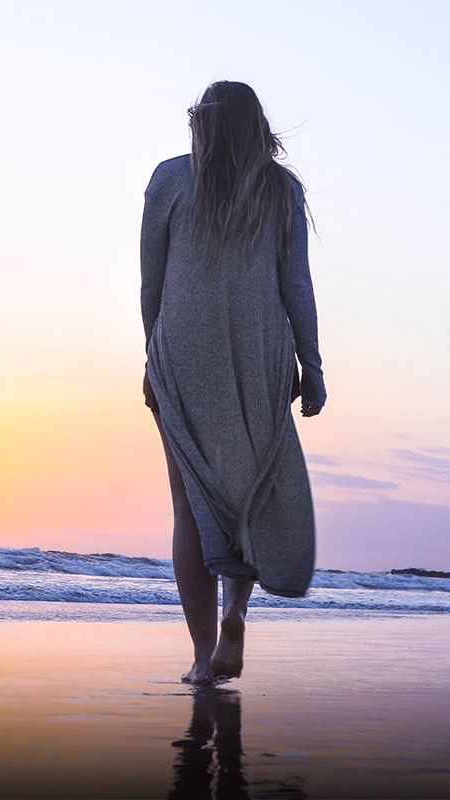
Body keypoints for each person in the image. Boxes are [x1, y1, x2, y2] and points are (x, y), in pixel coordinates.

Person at [141, 81, 325, 684]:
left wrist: (152, 358)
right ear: (258, 128)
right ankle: (235, 615)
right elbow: (295, 284)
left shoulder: (169, 179)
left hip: (184, 353)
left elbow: (153, 282)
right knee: (250, 490)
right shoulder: (281, 190)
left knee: (190, 505)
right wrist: (313, 366)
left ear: (202, 123)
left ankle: (201, 656)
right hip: (260, 354)